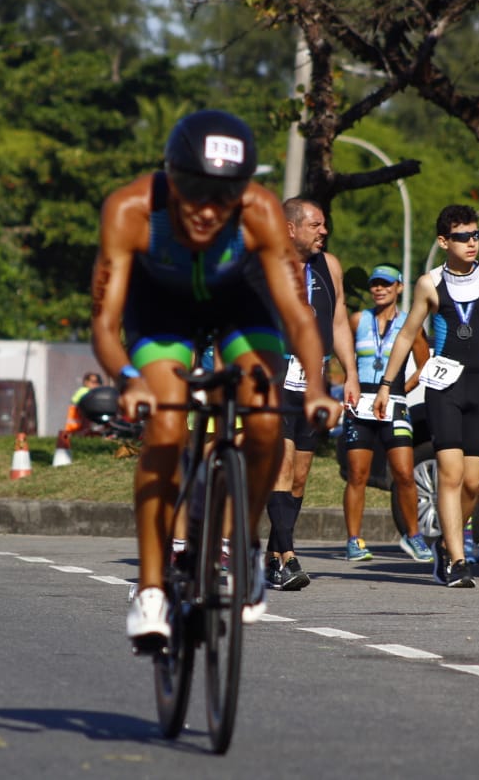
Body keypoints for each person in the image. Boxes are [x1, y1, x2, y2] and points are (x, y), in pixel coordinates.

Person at [90, 109, 340, 650]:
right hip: (162, 306)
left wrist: (318, 386)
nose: (206, 208)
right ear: (170, 177)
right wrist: (129, 379)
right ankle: (152, 589)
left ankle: (246, 548)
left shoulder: (261, 212)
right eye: (194, 190)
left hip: (237, 300)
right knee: (164, 426)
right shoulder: (131, 208)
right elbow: (105, 324)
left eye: (222, 194)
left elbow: (298, 316)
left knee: (265, 412)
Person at [374, 204, 479, 588]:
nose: (472, 242)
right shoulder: (430, 283)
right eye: (463, 237)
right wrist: (386, 384)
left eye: (476, 235)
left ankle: (447, 543)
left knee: (471, 482)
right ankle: (458, 560)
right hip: (444, 386)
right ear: (444, 242)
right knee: (450, 473)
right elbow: (408, 334)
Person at [265, 197, 359, 592]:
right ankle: (288, 557)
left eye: (324, 225)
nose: (324, 231)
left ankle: (273, 556)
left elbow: (338, 321)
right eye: (315, 225)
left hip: (314, 378)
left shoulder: (329, 266)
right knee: (282, 466)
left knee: (300, 477)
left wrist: (351, 374)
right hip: (272, 374)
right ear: (290, 228)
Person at [340, 264, 435, 564]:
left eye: (386, 284)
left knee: (405, 474)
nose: (379, 289)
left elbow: (424, 364)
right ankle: (354, 540)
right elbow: (342, 348)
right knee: (357, 474)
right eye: (374, 285)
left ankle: (413, 536)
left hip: (393, 402)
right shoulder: (359, 320)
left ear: (399, 288)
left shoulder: (410, 323)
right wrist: (349, 377)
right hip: (360, 403)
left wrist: (402, 389)